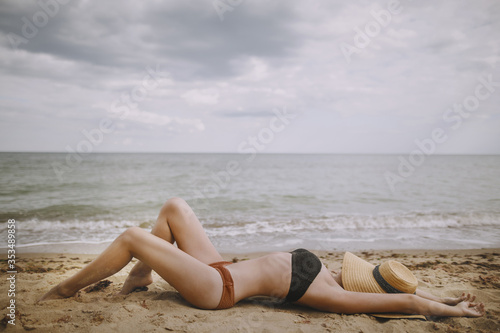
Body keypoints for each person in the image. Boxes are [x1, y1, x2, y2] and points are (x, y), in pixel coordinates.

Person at [39, 198, 485, 318]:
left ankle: (65, 288)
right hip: (221, 269)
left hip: (219, 290)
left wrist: (450, 311)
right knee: (174, 207)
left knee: (132, 235)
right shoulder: (332, 275)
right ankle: (140, 277)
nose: (362, 273)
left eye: (371, 277)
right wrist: (441, 292)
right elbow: (408, 288)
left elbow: (406, 302)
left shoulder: (334, 296)